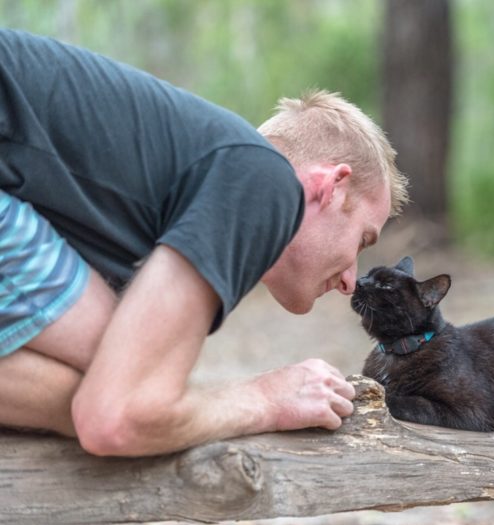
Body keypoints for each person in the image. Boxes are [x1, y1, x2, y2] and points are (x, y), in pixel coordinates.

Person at [0, 29, 408, 457]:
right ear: (333, 187)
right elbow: (114, 420)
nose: (350, 281)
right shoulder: (264, 181)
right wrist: (268, 399)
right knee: (118, 374)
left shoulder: (176, 185)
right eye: (362, 240)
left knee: (121, 377)